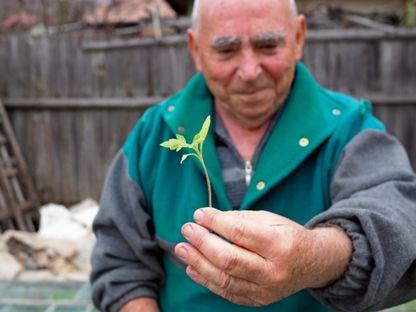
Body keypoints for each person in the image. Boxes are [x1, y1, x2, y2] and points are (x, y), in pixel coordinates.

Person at [90, 0, 416, 311]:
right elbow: (119, 260)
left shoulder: (349, 130)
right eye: (226, 49)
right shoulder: (154, 134)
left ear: (298, 38)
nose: (249, 71)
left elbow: (399, 216)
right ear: (196, 50)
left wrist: (314, 255)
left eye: (268, 46)